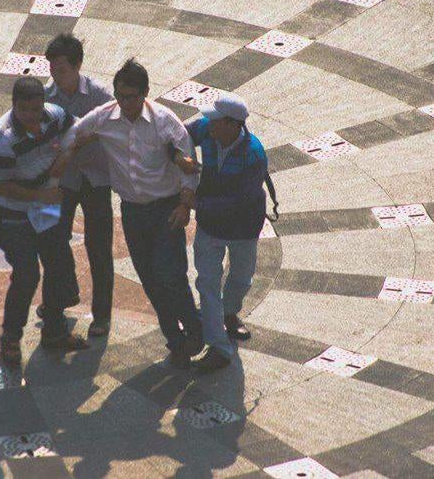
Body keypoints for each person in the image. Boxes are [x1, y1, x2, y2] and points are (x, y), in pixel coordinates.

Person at [69, 59, 203, 367]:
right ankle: (175, 340)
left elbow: (189, 166)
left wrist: (184, 205)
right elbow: (74, 134)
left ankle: (195, 329)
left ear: (145, 93)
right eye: (120, 96)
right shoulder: (104, 118)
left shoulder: (165, 122)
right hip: (131, 211)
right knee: (150, 278)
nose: (125, 103)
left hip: (165, 208)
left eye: (131, 96)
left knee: (171, 274)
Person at [0, 76, 89, 367]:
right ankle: (10, 339)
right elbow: (3, 187)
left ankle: (54, 330)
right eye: (24, 110)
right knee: (27, 275)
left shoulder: (53, 116)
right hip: (12, 216)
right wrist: (42, 195)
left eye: (35, 109)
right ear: (14, 106)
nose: (31, 116)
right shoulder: (1, 139)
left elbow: (76, 127)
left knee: (59, 262)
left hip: (43, 206)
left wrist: (67, 154)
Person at [182, 91, 269, 372]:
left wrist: (195, 203)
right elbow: (180, 134)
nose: (209, 123)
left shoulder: (253, 155)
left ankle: (229, 313)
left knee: (241, 278)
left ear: (233, 125)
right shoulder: (208, 130)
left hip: (243, 226)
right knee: (207, 283)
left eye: (216, 120)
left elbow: (237, 202)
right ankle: (219, 347)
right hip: (210, 226)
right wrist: (179, 156)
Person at [42, 33, 115, 338]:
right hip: (65, 179)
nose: (55, 76)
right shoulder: (48, 98)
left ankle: (101, 316)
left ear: (77, 66)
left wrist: (87, 136)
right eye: (52, 69)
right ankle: (58, 302)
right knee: (54, 242)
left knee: (98, 248)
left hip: (96, 179)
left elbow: (116, 124)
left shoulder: (98, 95)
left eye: (61, 69)